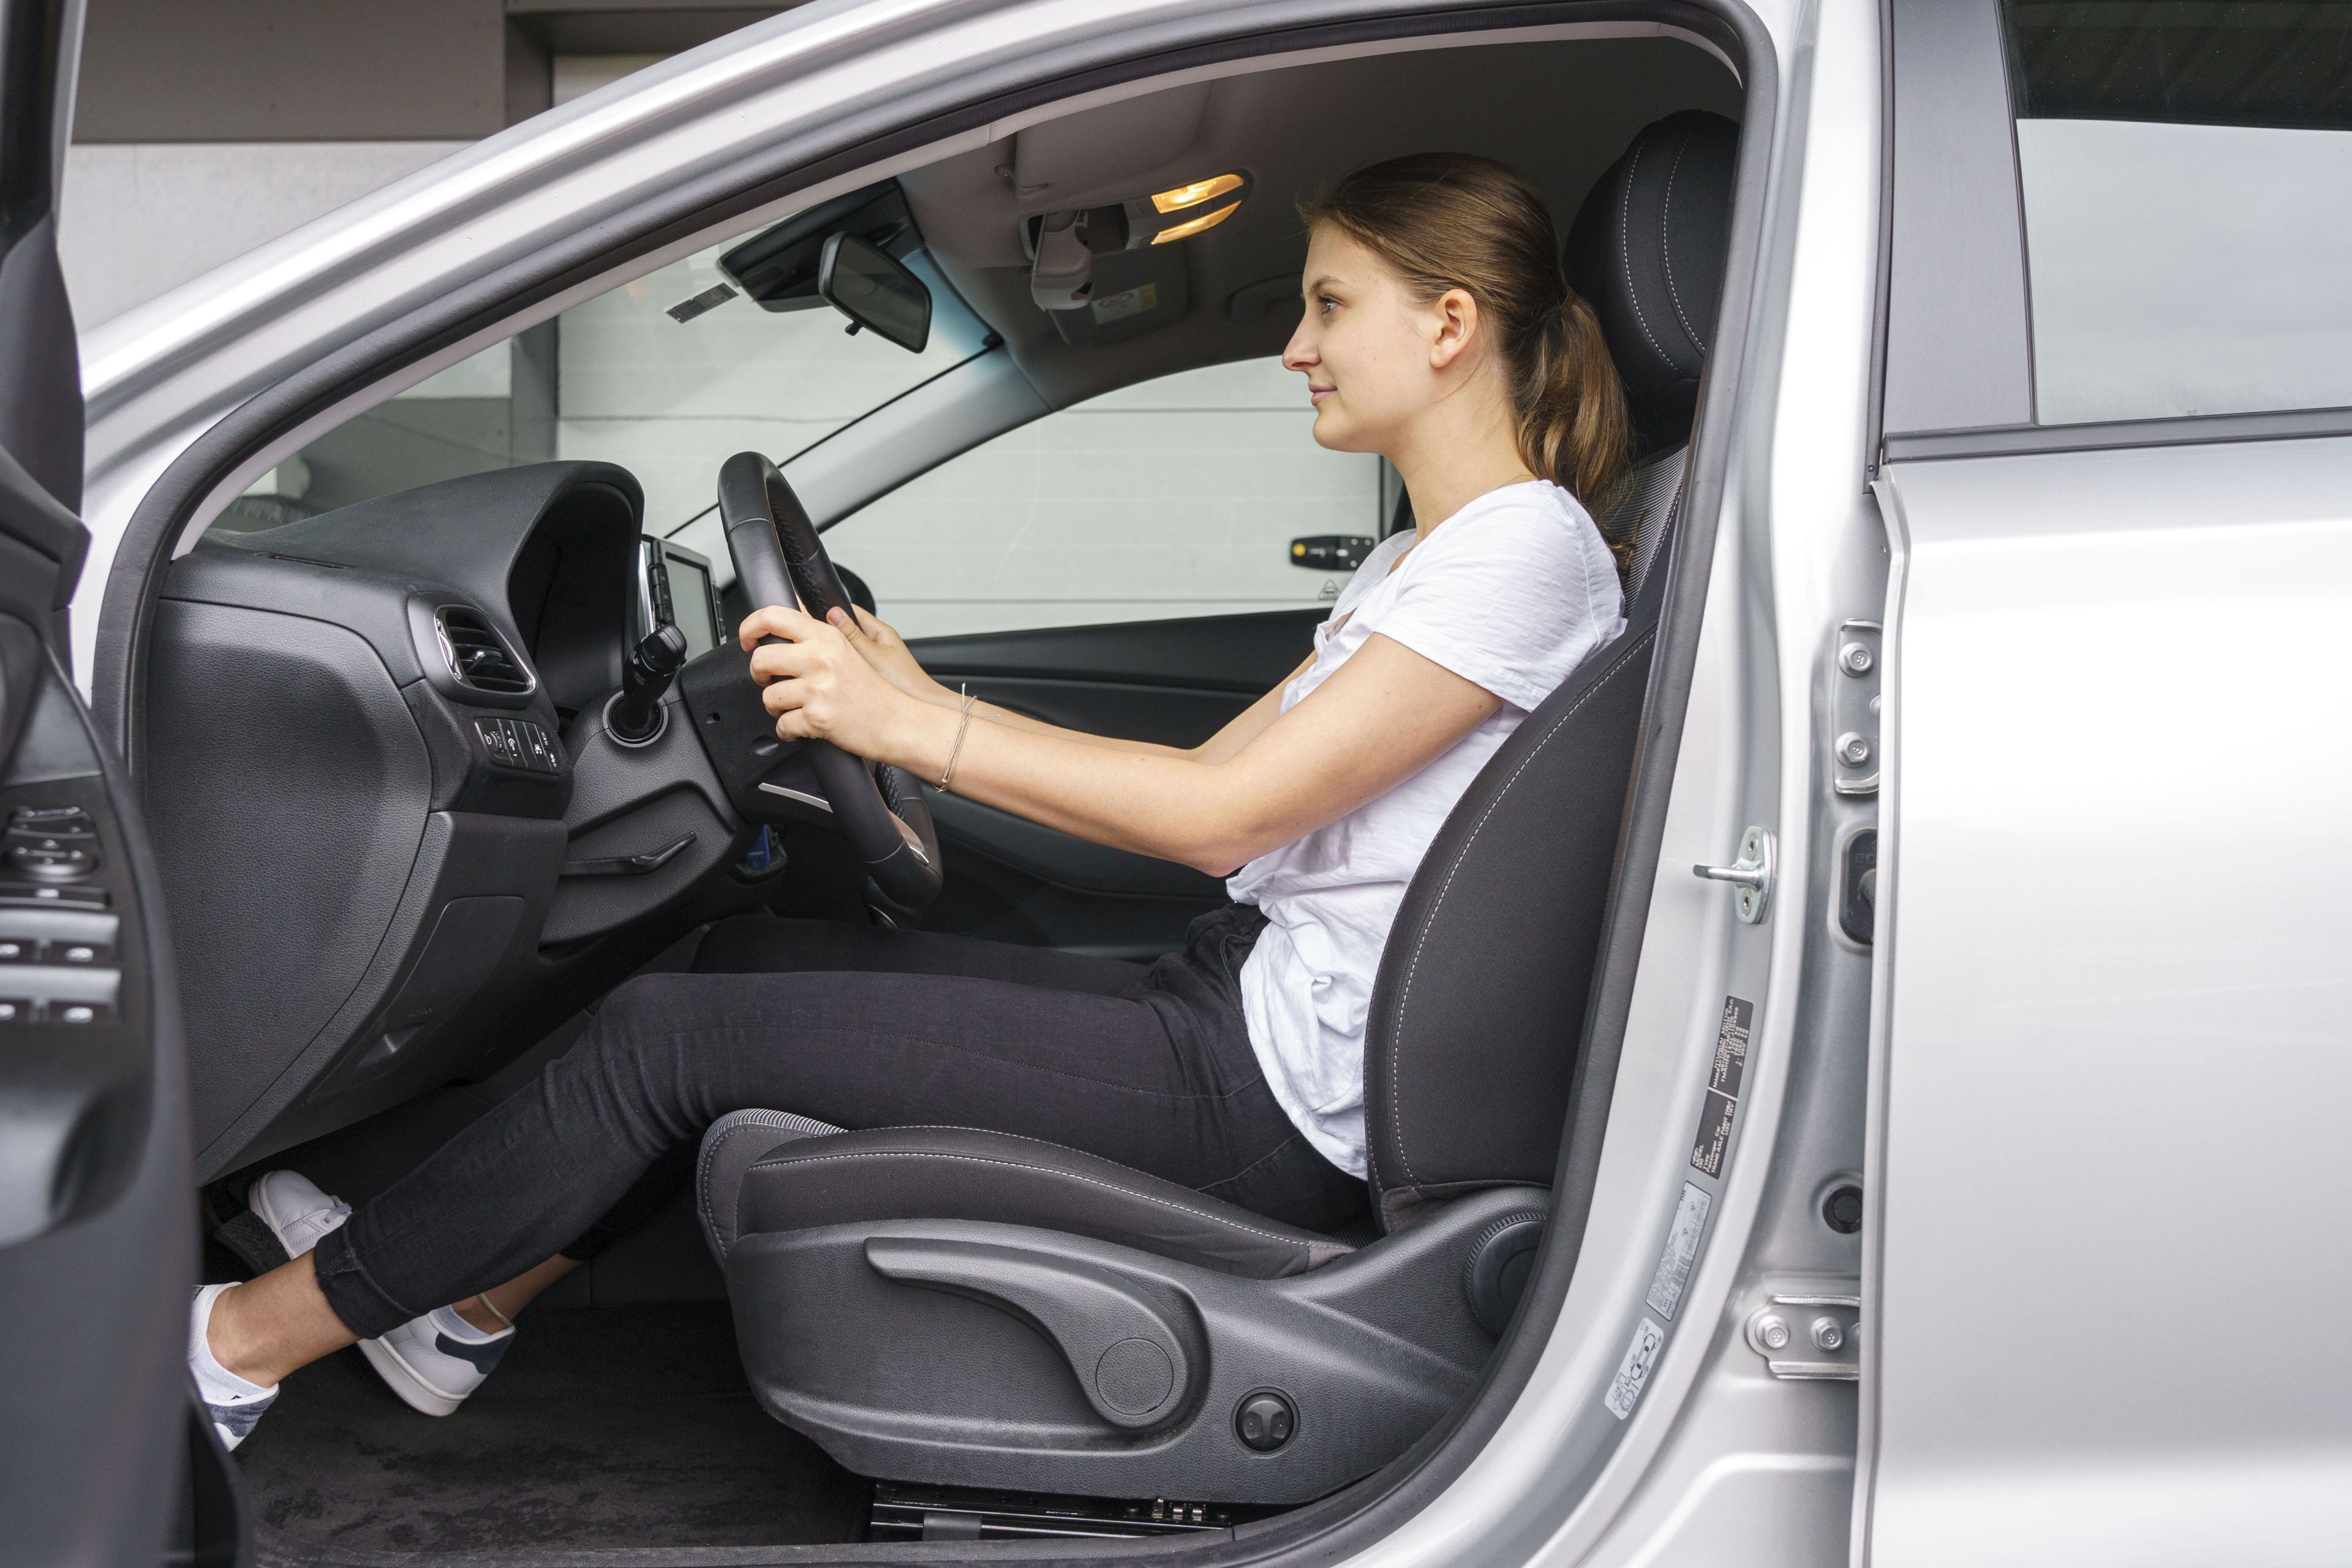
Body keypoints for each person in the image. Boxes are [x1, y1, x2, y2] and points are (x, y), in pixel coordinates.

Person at [190, 151, 1635, 1449]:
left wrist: (916, 724)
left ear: (1448, 327)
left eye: (1329, 305)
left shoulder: (1523, 553)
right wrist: (916, 696)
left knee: (664, 1034)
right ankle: (466, 1306)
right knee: (739, 960)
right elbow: (1216, 775)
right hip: (1234, 1000)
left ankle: (241, 1346)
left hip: (1273, 1094)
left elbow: (1220, 818)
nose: (1296, 345)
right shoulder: (1436, 558)